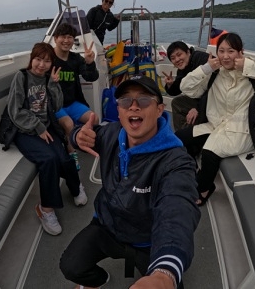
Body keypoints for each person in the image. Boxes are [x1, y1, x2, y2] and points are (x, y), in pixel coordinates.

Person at [59, 75, 201, 289]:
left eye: (143, 99)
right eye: (125, 101)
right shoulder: (111, 133)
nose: (133, 106)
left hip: (148, 239)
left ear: (159, 110)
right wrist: (77, 136)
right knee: (71, 267)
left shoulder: (176, 161)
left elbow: (177, 209)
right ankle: (99, 280)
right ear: (119, 111)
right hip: (107, 225)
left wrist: (164, 274)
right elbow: (87, 135)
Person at [176, 32, 255, 205]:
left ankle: (204, 189)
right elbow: (186, 87)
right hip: (216, 125)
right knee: (178, 139)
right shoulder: (215, 74)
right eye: (221, 51)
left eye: (231, 51)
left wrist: (247, 65)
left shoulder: (254, 78)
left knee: (209, 153)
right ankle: (191, 172)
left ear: (240, 53)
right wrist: (206, 68)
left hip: (241, 132)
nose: (226, 56)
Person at [7, 42, 88, 236]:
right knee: (49, 159)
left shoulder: (47, 78)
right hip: (25, 130)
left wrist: (53, 84)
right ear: (32, 59)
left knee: (64, 158)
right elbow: (15, 111)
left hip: (46, 127)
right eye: (38, 59)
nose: (41, 65)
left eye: (46, 61)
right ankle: (45, 209)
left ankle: (76, 187)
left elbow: (57, 106)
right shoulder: (21, 77)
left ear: (51, 64)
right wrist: (38, 127)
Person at [53, 23, 100, 163]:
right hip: (56, 105)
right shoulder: (49, 58)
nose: (66, 40)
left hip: (72, 103)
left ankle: (85, 142)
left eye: (70, 37)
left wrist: (90, 63)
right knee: (68, 124)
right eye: (63, 37)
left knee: (94, 118)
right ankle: (72, 156)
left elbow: (91, 77)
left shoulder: (76, 59)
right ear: (55, 39)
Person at [162, 41, 209, 131]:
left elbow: (213, 87)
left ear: (188, 52)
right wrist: (170, 84)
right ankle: (182, 133)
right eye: (173, 58)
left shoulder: (201, 59)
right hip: (200, 98)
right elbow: (177, 89)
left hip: (214, 99)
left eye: (179, 55)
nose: (177, 60)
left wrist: (198, 108)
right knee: (177, 102)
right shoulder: (183, 68)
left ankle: (192, 133)